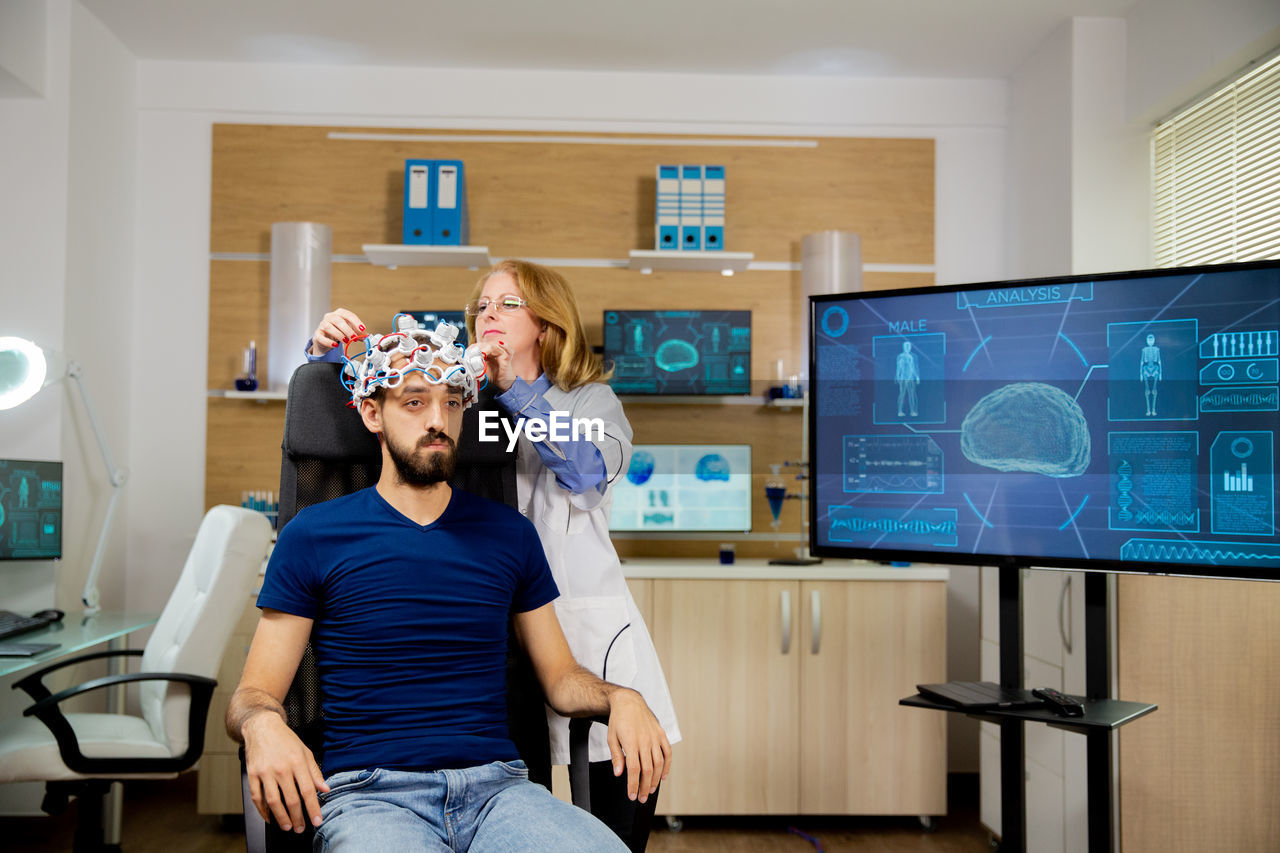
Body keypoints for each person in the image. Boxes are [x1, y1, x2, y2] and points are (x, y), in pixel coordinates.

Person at [227, 326, 670, 852]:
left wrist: (623, 697)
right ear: (373, 415)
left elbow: (561, 679)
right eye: (414, 402)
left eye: (452, 403)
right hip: (371, 795)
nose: (437, 421)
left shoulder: (509, 533)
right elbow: (252, 696)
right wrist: (261, 726)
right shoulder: (313, 535)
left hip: (499, 791)